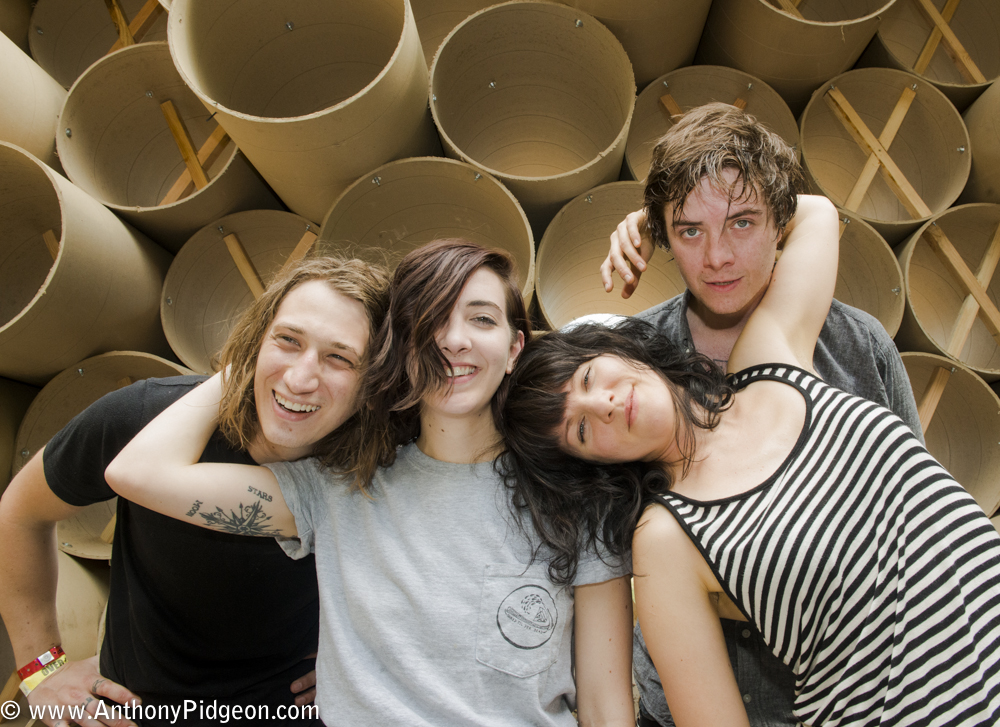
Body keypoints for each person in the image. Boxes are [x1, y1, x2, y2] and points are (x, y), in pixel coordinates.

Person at [500, 170, 1000, 727]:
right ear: (595, 465)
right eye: (583, 431)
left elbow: (814, 213)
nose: (606, 406)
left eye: (591, 379)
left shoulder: (770, 362)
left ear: (622, 349)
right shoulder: (666, 539)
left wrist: (666, 222)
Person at [104, 240, 636, 726]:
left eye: (482, 319)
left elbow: (606, 706)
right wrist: (256, 355)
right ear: (399, 346)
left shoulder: (573, 498)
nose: (454, 340)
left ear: (515, 347)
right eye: (431, 319)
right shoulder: (338, 489)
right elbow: (138, 474)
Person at [597, 103, 924, 727]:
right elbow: (603, 561)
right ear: (661, 238)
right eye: (689, 231)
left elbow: (905, 518)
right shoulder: (630, 362)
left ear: (783, 222)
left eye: (742, 222)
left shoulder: (858, 345)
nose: (717, 256)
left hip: (855, 702)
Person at [0, 254, 390, 726]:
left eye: (339, 357)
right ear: (256, 340)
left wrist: (364, 662)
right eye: (287, 340)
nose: (299, 379)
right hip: (130, 711)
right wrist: (42, 670)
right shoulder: (145, 417)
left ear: (375, 380)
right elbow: (20, 512)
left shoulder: (378, 470)